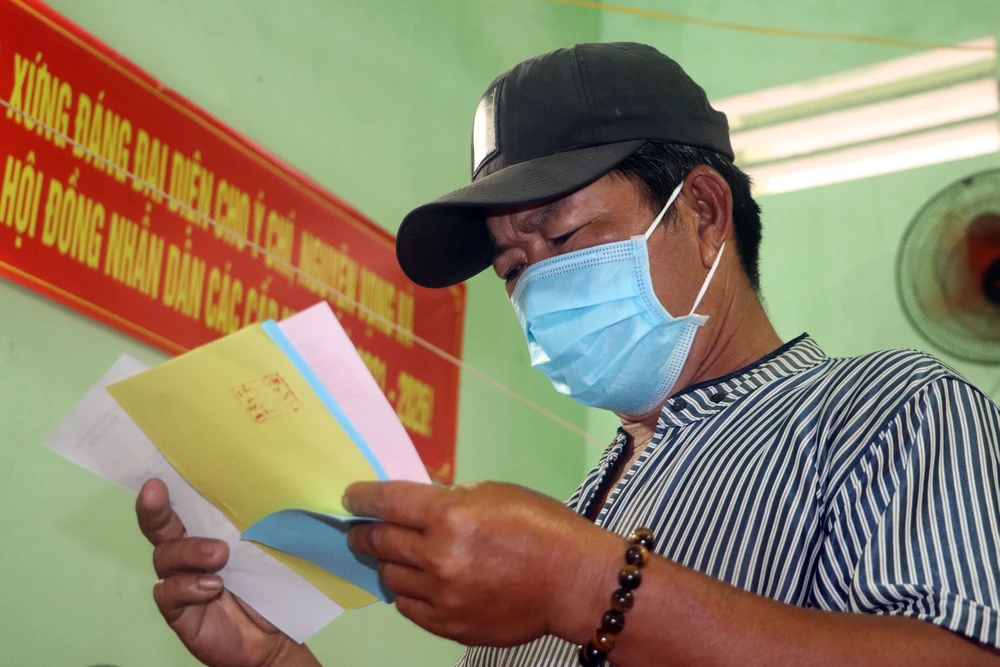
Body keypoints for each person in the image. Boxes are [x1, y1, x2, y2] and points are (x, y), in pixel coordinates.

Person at [135, 43, 1000, 667]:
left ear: (703, 214)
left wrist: (585, 587)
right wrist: (276, 661)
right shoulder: (557, 527)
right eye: (513, 269)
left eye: (561, 237)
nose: (537, 287)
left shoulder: (888, 412)